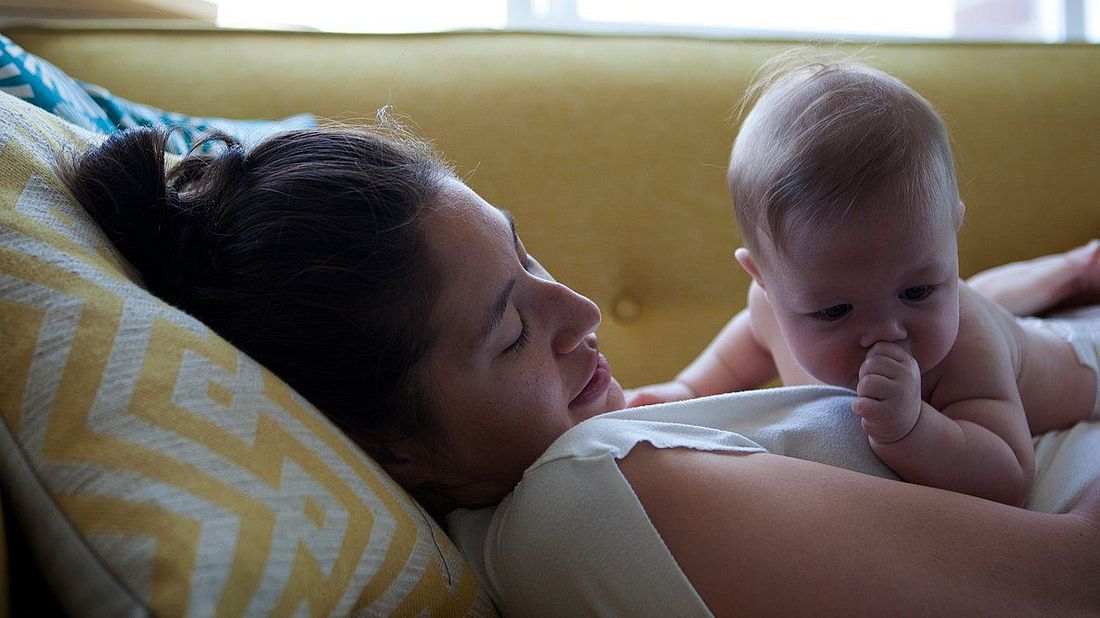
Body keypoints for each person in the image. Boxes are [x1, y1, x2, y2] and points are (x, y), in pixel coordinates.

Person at [57, 115, 1100, 616]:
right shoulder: (583, 500)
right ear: (401, 451)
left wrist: (1020, 293)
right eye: (511, 332)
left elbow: (872, 330)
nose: (581, 313)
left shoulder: (591, 455)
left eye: (530, 258)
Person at [623, 56, 1100, 507]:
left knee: (983, 305)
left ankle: (1069, 274)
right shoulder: (774, 304)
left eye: (917, 291)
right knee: (977, 296)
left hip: (1080, 358)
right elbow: (750, 340)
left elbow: (1009, 479)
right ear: (764, 280)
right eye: (835, 311)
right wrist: (688, 389)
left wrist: (913, 430)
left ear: (954, 233)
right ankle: (1061, 275)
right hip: (1004, 317)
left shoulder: (966, 347)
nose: (886, 331)